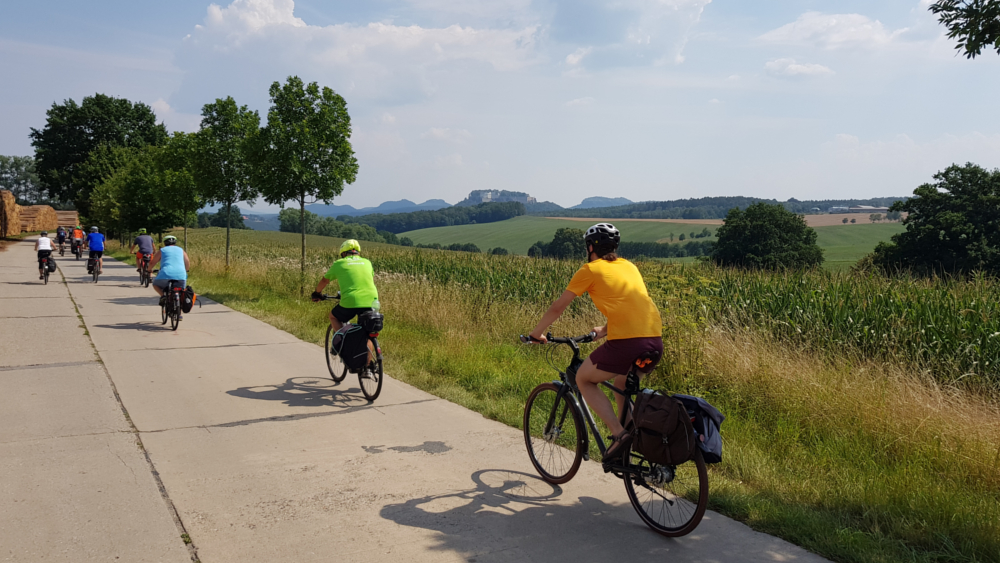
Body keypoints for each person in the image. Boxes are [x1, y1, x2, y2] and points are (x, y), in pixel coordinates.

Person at [528, 223, 664, 461]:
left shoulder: (590, 269)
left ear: (590, 246)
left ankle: (619, 435)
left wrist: (536, 333)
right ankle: (633, 444)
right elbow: (632, 305)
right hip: (654, 341)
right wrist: (605, 329)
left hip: (627, 343)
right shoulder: (629, 266)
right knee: (622, 384)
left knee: (582, 378)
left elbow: (558, 306)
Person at [311, 239, 379, 333]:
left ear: (343, 254)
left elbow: (324, 280)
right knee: (368, 331)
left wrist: (317, 293)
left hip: (351, 300)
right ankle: (368, 348)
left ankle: (343, 338)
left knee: (333, 316)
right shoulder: (367, 262)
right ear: (358, 253)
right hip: (372, 301)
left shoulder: (339, 263)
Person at [147, 235, 191, 312]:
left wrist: (149, 270)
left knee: (155, 284)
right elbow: (187, 261)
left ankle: (163, 296)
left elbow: (153, 262)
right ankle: (179, 314)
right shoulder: (181, 250)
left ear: (165, 243)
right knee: (181, 293)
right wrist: (186, 270)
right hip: (181, 275)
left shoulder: (162, 250)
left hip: (165, 274)